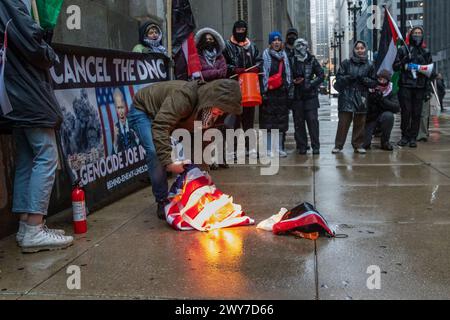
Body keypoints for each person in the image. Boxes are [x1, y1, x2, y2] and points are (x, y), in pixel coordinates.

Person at [0, 0, 73, 253]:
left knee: (27, 156)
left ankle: (26, 227)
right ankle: (34, 228)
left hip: (16, 90)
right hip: (26, 89)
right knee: (46, 155)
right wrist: (50, 53)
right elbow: (33, 44)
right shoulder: (10, 3)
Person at [127, 79, 242, 219]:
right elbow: (160, 126)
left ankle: (183, 194)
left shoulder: (209, 110)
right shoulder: (184, 97)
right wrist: (169, 163)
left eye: (224, 110)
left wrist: (204, 171)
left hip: (167, 117)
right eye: (220, 108)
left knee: (192, 165)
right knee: (155, 152)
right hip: (144, 111)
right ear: (212, 99)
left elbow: (203, 140)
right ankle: (162, 200)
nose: (221, 113)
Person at [223, 20, 262, 158]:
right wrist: (234, 69)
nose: (241, 32)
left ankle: (250, 148)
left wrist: (257, 66)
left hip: (249, 88)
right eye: (238, 29)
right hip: (233, 89)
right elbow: (223, 65)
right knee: (232, 121)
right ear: (234, 30)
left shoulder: (251, 46)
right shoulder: (227, 46)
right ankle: (231, 150)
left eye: (243, 29)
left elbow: (259, 60)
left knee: (248, 120)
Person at [333, 41, 377, 154]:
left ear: (365, 49)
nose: (360, 50)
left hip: (361, 97)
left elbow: (374, 82)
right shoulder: (346, 63)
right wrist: (349, 77)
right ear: (354, 50)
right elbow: (339, 79)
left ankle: (358, 145)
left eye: (362, 48)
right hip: (346, 96)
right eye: (357, 48)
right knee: (343, 122)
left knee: (360, 123)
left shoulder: (370, 64)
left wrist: (364, 79)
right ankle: (338, 145)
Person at [195, 28, 229, 170]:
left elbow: (224, 71)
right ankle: (209, 159)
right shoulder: (198, 57)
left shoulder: (220, 57)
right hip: (205, 97)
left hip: (220, 96)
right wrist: (215, 73)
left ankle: (220, 158)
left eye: (211, 39)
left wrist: (211, 73)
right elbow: (202, 73)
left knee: (221, 128)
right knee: (207, 127)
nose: (209, 41)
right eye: (206, 39)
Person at [394, 26, 433, 148]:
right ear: (411, 35)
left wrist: (427, 90)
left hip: (420, 87)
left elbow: (429, 73)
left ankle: (413, 138)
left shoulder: (425, 52)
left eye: (419, 33)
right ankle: (404, 136)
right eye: (415, 33)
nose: (417, 35)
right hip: (405, 85)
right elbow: (395, 66)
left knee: (417, 113)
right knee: (406, 113)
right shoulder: (403, 50)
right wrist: (405, 60)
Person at [260, 32, 292, 158]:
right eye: (274, 40)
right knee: (268, 123)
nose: (277, 42)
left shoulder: (284, 56)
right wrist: (263, 92)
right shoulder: (265, 56)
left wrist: (287, 88)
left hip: (281, 93)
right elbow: (262, 75)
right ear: (270, 43)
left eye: (279, 40)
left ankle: (279, 148)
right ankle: (268, 149)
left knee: (280, 123)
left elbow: (288, 73)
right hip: (269, 93)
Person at [291, 38, 324, 155]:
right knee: (299, 123)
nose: (301, 48)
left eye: (303, 45)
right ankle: (302, 146)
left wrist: (310, 83)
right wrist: (293, 81)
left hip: (310, 96)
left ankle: (316, 146)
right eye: (298, 45)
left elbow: (321, 75)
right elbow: (287, 75)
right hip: (297, 96)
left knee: (312, 121)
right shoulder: (291, 60)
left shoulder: (312, 60)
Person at [363, 70, 400, 151]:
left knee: (389, 116)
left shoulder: (391, 90)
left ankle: (385, 142)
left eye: (384, 80)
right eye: (380, 79)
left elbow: (396, 107)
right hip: (370, 118)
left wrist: (382, 100)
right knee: (365, 145)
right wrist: (372, 99)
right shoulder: (371, 88)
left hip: (383, 117)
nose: (381, 82)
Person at [113, 89, 139, 154]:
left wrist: (136, 138)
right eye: (118, 108)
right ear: (116, 109)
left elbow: (141, 144)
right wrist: (115, 140)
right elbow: (114, 153)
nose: (121, 112)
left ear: (125, 107)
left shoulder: (132, 122)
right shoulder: (116, 128)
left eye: (122, 107)